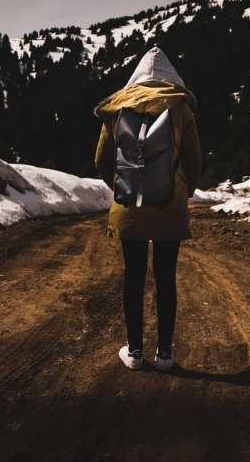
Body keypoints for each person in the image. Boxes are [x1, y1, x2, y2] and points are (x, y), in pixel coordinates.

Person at [94, 47, 202, 372]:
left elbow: (101, 160)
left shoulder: (118, 107)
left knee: (134, 277)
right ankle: (165, 355)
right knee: (165, 278)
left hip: (130, 206)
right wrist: (184, 191)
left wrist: (123, 189)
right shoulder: (180, 108)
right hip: (170, 207)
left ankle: (136, 352)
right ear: (171, 77)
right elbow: (194, 162)